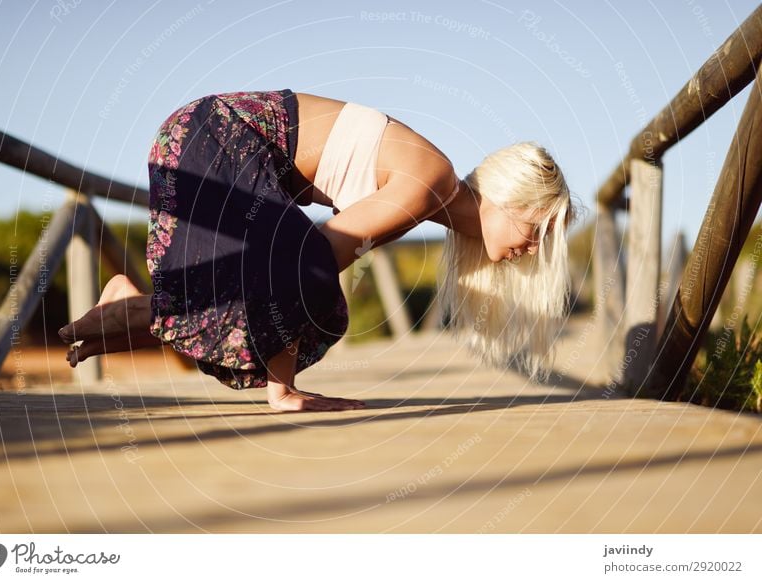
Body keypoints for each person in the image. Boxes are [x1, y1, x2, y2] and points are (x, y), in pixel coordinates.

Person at [58, 89, 576, 412]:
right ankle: (137, 311)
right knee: (315, 307)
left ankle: (127, 305)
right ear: (510, 199)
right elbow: (306, 267)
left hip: (200, 135)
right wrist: (282, 391)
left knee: (260, 307)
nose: (533, 249)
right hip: (217, 136)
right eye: (537, 230)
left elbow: (300, 268)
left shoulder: (427, 196)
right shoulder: (429, 185)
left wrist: (280, 381)